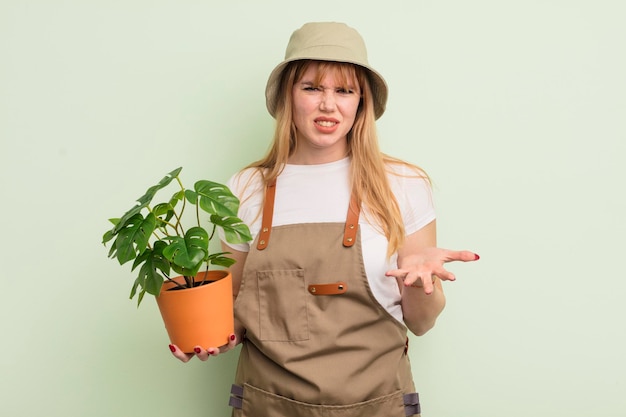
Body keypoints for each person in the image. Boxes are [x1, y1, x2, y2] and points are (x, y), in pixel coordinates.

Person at [170, 22, 479, 416]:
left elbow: (420, 323)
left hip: (377, 406)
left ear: (361, 102)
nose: (328, 104)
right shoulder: (246, 187)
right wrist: (203, 335)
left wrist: (421, 284)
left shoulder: (402, 184)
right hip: (268, 406)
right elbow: (237, 313)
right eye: (312, 88)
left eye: (344, 90)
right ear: (289, 95)